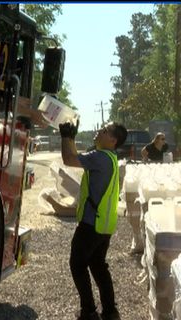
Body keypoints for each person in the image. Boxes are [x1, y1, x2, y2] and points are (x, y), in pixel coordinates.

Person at [59, 120, 127, 320]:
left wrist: (65, 137)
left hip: (92, 224)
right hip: (104, 225)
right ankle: (110, 311)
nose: (99, 131)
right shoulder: (109, 157)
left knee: (77, 264)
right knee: (98, 265)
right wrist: (71, 138)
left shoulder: (100, 157)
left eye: (104, 130)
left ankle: (88, 311)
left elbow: (69, 159)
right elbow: (77, 157)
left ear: (113, 140)